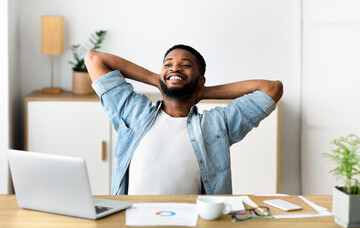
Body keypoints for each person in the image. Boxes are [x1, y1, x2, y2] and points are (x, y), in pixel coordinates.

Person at [85, 44, 283, 195]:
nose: (175, 68)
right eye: (168, 65)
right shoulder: (133, 113)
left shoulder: (218, 124)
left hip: (194, 226)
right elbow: (94, 58)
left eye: (185, 66)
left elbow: (272, 88)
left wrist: (203, 91)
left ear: (200, 79)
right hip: (133, 223)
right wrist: (158, 80)